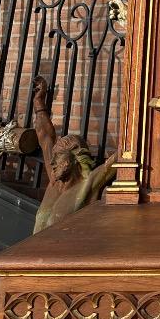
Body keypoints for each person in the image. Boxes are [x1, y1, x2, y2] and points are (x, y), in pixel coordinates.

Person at [31, 76, 115, 233]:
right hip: (33, 254)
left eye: (58, 156)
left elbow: (121, 156)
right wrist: (38, 102)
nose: (51, 162)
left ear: (74, 157)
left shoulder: (88, 184)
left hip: (63, 255)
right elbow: (45, 136)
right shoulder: (55, 181)